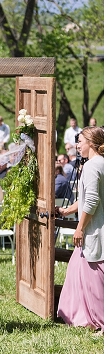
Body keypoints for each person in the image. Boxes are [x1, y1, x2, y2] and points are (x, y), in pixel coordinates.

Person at [56, 126, 104, 331]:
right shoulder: (100, 163)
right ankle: (82, 317)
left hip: (93, 230)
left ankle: (95, 320)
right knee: (77, 269)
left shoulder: (93, 166)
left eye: (80, 141)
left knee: (93, 277)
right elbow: (87, 197)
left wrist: (80, 228)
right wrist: (68, 210)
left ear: (91, 143)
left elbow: (92, 201)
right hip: (95, 229)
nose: (77, 145)